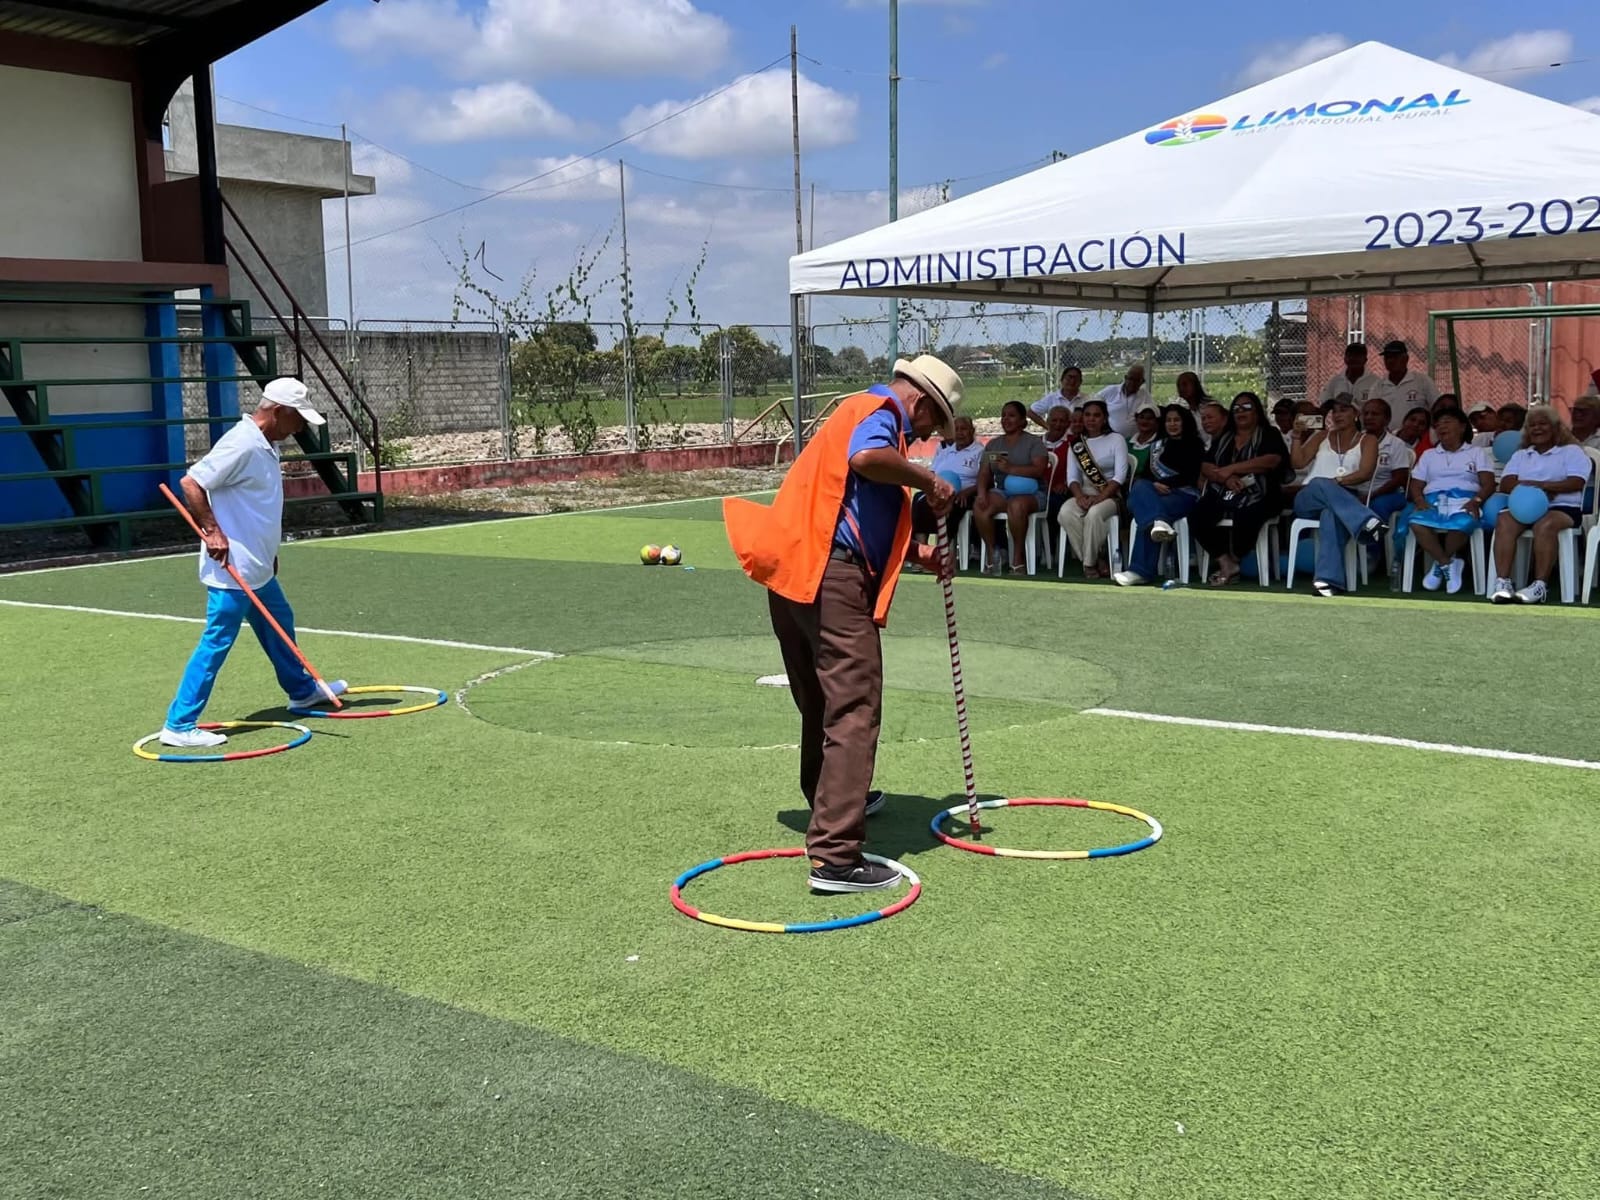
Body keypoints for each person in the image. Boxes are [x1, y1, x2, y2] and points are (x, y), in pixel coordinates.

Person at [724, 354, 959, 892]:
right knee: (854, 706)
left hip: (794, 573)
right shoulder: (881, 412)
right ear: (921, 403)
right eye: (932, 426)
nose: (926, 438)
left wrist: (920, 554)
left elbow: (849, 508)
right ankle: (835, 857)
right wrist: (929, 480)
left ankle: (829, 800)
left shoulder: (854, 410)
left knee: (822, 701)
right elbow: (867, 459)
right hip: (829, 579)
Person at [159, 378, 347, 748]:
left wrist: (269, 551)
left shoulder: (266, 443)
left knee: (280, 623)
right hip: (233, 570)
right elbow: (191, 483)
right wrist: (212, 530)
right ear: (278, 411)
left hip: (258, 565)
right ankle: (179, 725)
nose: (300, 428)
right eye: (298, 418)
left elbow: (256, 506)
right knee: (217, 641)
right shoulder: (242, 443)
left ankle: (301, 692)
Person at [1487, 405, 1593, 605]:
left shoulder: (1571, 452)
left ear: (1555, 428)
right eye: (1532, 425)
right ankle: (1503, 583)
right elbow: (1507, 483)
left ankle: (1539, 585)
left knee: (1545, 524)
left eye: (1543, 424)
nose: (1537, 429)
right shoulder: (1521, 455)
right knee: (1504, 519)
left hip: (1562, 507)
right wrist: (1536, 490)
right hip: (1524, 507)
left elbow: (1576, 482)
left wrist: (1543, 486)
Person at [1288, 392, 1385, 596]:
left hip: (1343, 498)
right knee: (1319, 482)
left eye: (1344, 410)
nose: (1337, 415)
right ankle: (1366, 520)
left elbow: (1365, 473)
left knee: (1330, 515)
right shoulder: (1321, 436)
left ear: (1356, 413)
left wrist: (1336, 482)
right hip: (1310, 496)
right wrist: (1296, 436)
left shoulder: (1368, 440)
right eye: (1334, 411)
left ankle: (1327, 582)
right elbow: (1298, 463)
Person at [1190, 392, 1289, 586]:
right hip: (1225, 490)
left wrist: (1232, 469)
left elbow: (1271, 460)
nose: (1241, 412)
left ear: (1257, 412)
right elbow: (1206, 466)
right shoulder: (1225, 437)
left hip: (1262, 492)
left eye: (1247, 407)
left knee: (1248, 513)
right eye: (1236, 408)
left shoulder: (1269, 433)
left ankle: (1235, 557)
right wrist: (1227, 478)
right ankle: (1225, 562)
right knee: (1197, 515)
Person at [1404, 407, 1496, 594]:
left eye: (1447, 422)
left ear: (1462, 427)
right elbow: (1416, 484)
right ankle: (1448, 563)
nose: (1441, 427)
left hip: (1465, 499)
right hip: (1433, 500)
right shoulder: (1429, 455)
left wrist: (1477, 500)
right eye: (1438, 425)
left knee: (1463, 522)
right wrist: (1419, 500)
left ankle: (1440, 565)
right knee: (1416, 522)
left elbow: (1488, 484)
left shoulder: (1476, 452)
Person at [1114, 404, 1206, 587]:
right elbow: (1146, 475)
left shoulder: (1195, 445)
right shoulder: (1158, 446)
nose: (1172, 424)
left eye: (1176, 420)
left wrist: (1162, 485)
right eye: (1168, 420)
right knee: (1141, 488)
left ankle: (1139, 572)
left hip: (1183, 495)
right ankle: (1159, 522)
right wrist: (1154, 485)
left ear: (1185, 422)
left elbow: (1190, 476)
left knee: (1143, 511)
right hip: (1155, 495)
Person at [973, 400, 1049, 574]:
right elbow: (984, 472)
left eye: (1012, 416)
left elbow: (1039, 470)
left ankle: (1018, 557)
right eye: (1004, 416)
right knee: (980, 505)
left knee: (1016, 505)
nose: (1006, 419)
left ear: (1023, 421)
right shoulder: (994, 445)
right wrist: (982, 493)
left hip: (1032, 493)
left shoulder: (1034, 443)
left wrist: (1010, 469)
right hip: (1003, 492)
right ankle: (993, 555)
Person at [1061, 399, 1129, 577]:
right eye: (1088, 415)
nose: (1091, 419)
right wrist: (1079, 497)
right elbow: (1072, 478)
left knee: (1094, 513)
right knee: (1065, 513)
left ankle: (1088, 564)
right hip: (1084, 493)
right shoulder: (1076, 445)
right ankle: (1096, 558)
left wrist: (1100, 497)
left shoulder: (1116, 439)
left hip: (1110, 495)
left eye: (1096, 415)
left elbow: (1120, 476)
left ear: (1104, 418)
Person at [912, 413, 981, 542]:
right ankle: (921, 545)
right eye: (956, 429)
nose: (959, 433)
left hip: (964, 494)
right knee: (920, 499)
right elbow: (933, 472)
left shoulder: (979, 451)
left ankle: (945, 547)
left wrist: (967, 492)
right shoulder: (946, 451)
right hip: (940, 492)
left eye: (963, 429)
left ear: (972, 431)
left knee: (953, 504)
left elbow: (985, 480)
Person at [1360, 397, 1415, 529]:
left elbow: (1399, 479)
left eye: (1374, 414)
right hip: (1358, 492)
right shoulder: (1356, 440)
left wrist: (1371, 495)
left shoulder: (1396, 444)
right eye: (1366, 413)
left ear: (1387, 419)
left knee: (1378, 505)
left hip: (1387, 494)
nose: (1369, 417)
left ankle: (1375, 541)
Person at [1369, 340, 1439, 431]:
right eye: (1387, 357)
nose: (1390, 361)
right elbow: (1371, 411)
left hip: (1417, 436)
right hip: (1388, 436)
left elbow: (1437, 408)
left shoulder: (1422, 381)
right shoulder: (1378, 386)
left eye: (1395, 357)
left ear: (1406, 359)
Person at [1094, 363, 1149, 438]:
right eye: (1131, 379)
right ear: (1125, 378)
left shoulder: (1145, 395)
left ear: (1142, 382)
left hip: (1135, 439)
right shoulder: (1111, 390)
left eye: (1137, 380)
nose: (1133, 383)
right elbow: (1093, 404)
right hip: (1110, 437)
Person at [1318, 342, 1379, 408]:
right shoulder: (1335, 381)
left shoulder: (1375, 382)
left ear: (1365, 360)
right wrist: (1335, 402)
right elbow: (1325, 403)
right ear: (1345, 359)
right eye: (1350, 355)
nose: (1354, 359)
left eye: (1358, 356)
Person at [1126, 401, 1161, 476]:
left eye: (1149, 418)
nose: (1145, 421)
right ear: (1136, 419)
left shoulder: (1160, 444)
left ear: (1157, 422)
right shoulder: (1126, 442)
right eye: (1141, 417)